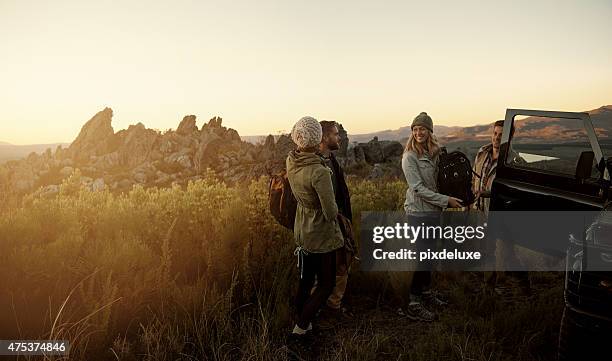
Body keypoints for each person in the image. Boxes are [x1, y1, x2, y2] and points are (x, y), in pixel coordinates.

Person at [396, 112, 463, 322]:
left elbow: (442, 180)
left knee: (430, 256)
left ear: (429, 131)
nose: (418, 132)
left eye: (422, 129)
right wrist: (446, 201)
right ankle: (413, 303)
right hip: (418, 213)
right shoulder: (409, 157)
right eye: (415, 129)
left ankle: (425, 293)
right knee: (422, 258)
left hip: (434, 212)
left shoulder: (434, 153)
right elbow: (417, 189)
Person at [286, 116, 344, 340]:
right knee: (327, 284)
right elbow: (330, 212)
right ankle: (300, 329)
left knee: (306, 280)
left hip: (302, 227)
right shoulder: (319, 171)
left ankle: (304, 322)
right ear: (317, 138)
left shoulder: (292, 160)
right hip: (320, 233)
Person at [472, 120, 530, 294]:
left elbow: (514, 191)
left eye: (501, 135)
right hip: (481, 210)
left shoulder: (514, 161)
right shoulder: (482, 152)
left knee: (507, 254)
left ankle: (522, 281)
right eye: (495, 133)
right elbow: (475, 177)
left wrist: (488, 193)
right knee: (486, 249)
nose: (496, 138)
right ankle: (488, 288)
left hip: (501, 213)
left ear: (510, 137)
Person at [318, 120, 353, 317]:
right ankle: (325, 308)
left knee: (342, 264)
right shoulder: (317, 165)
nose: (339, 137)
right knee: (329, 268)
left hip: (339, 220)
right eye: (335, 134)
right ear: (324, 137)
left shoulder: (331, 159)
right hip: (326, 225)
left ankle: (333, 305)